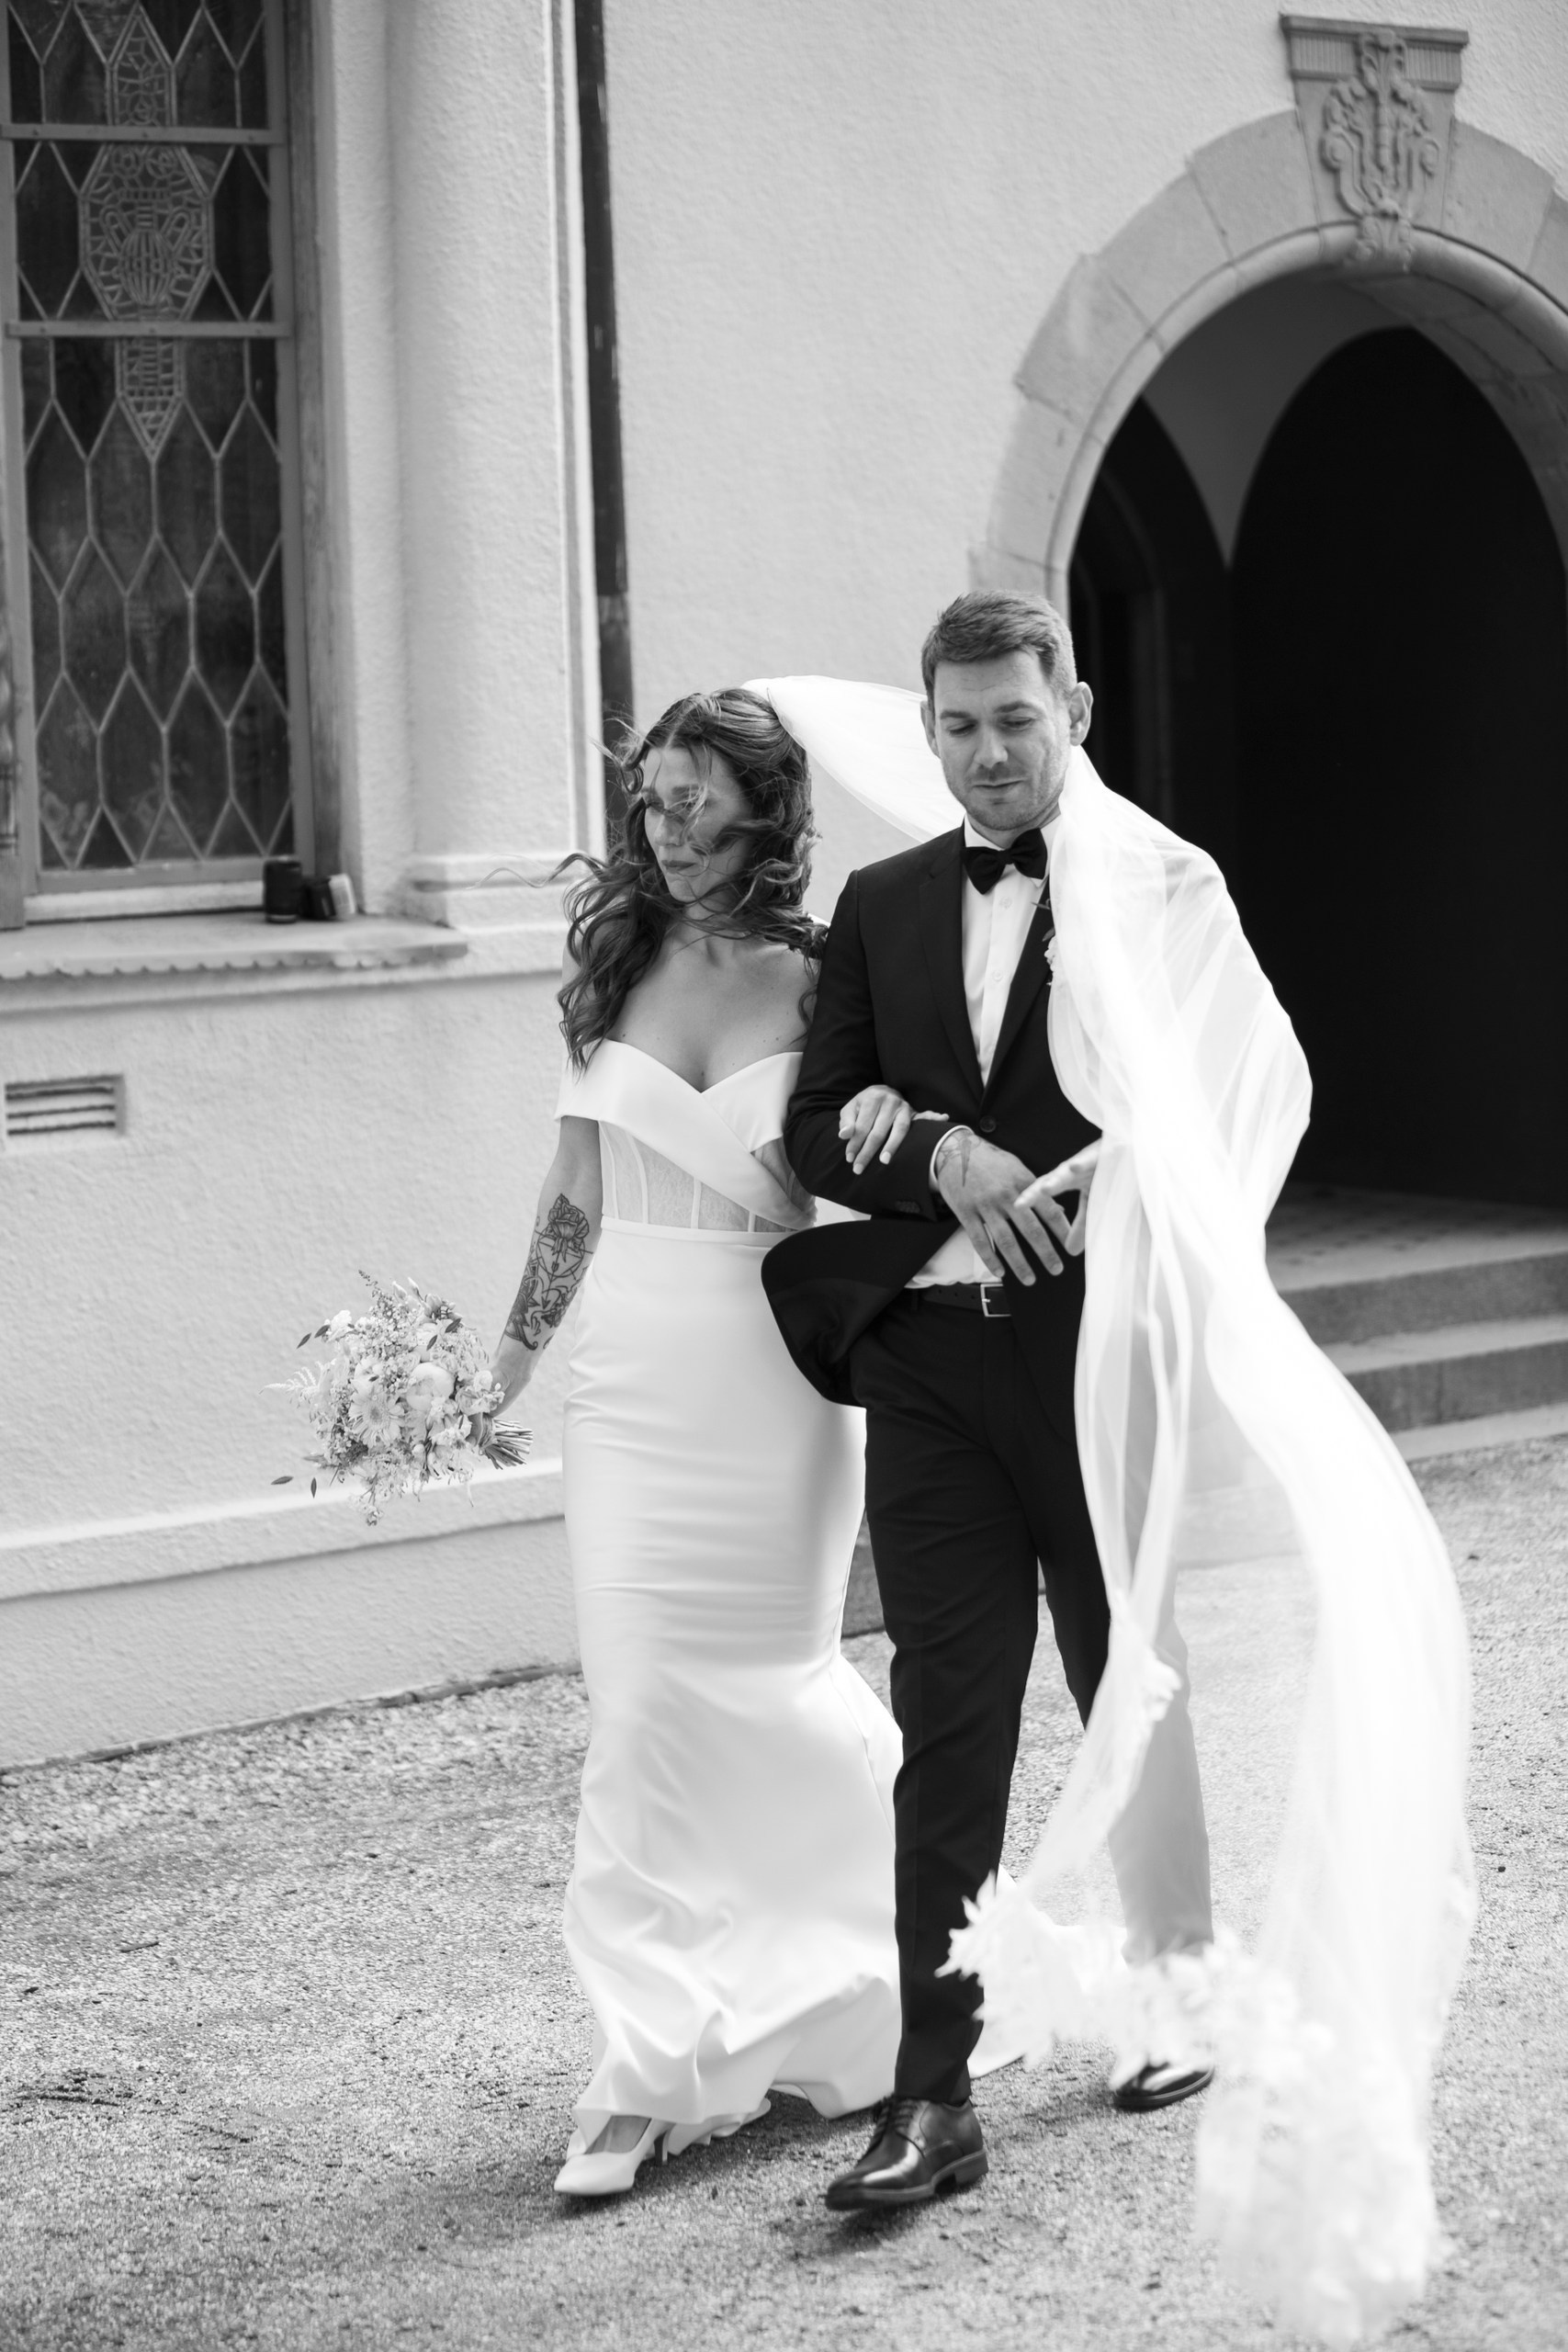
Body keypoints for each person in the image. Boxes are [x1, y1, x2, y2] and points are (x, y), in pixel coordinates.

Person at [764, 591, 1215, 2211]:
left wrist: (1077, 1181)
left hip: (1098, 1351)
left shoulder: (1163, 891)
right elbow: (816, 1126)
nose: (988, 752)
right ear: (928, 729)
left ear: (1073, 711)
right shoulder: (881, 902)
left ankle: (1177, 1993)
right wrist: (941, 1153)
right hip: (928, 1366)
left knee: (1124, 1675)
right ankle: (932, 2097)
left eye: (1016, 718)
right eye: (958, 725)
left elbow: (1217, 1105)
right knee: (947, 1718)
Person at [489, 688, 913, 2198]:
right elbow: (574, 1184)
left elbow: (869, 1166)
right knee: (640, 1705)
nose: (663, 828)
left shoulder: (832, 976)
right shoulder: (613, 956)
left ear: (762, 808)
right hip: (626, 1374)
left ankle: (859, 1976)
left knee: (778, 1688)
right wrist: (506, 1365)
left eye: (692, 800)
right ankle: (647, 2068)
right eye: (650, 800)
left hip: (774, 1370)